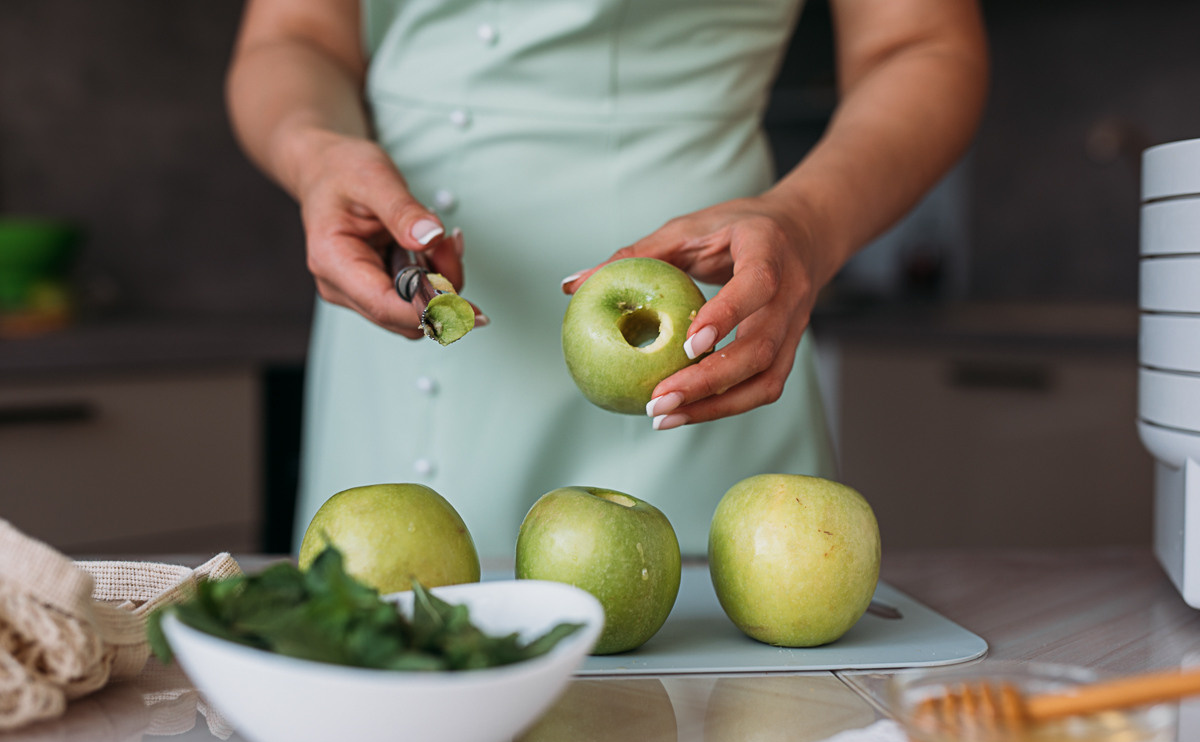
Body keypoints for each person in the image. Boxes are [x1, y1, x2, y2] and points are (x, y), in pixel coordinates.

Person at [226, 0, 988, 558]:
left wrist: (809, 223)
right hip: (396, 320)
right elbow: (293, 36)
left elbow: (922, 42)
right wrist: (315, 152)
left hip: (707, 328)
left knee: (713, 737)